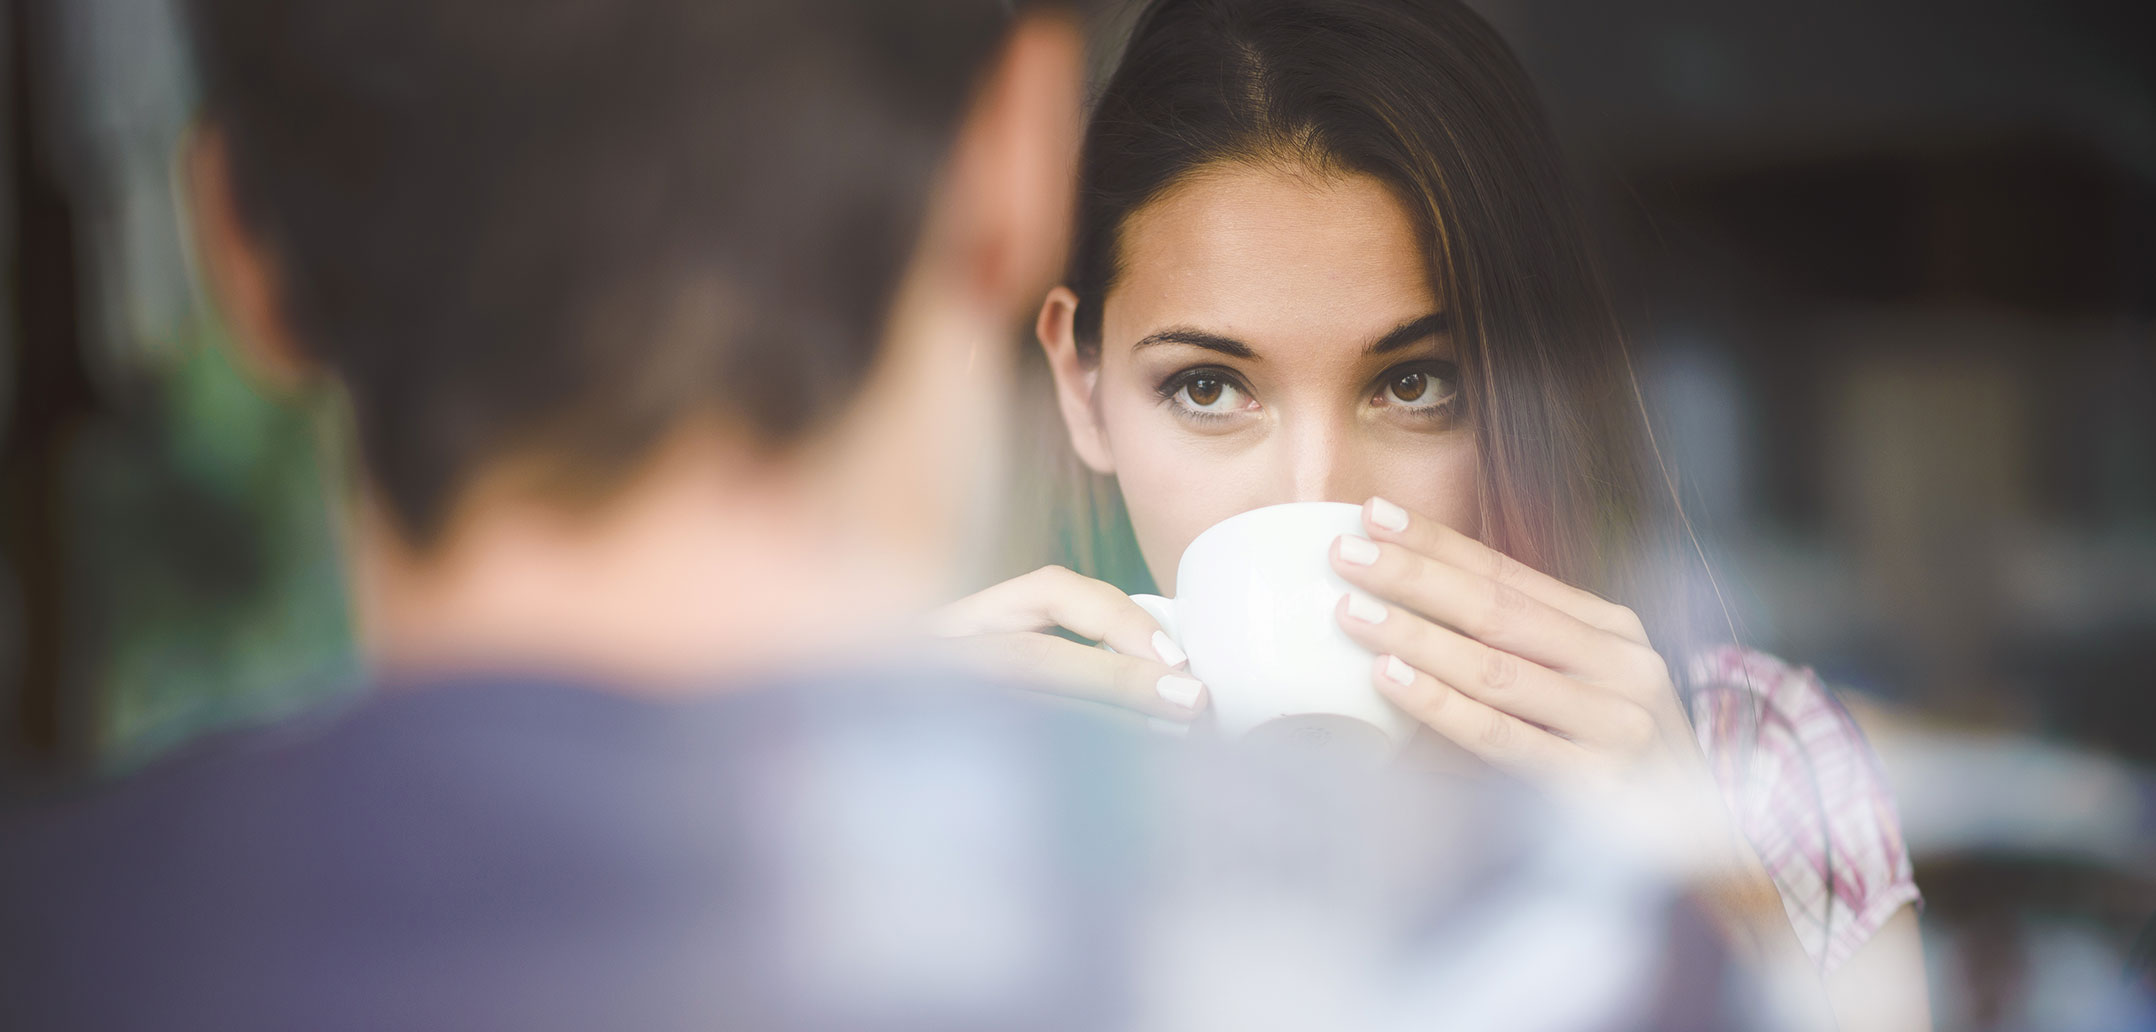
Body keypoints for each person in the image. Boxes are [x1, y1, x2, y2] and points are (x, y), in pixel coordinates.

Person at [0, 1, 1775, 1030]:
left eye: (1416, 376)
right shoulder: (1526, 958)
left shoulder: (61, 946)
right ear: (1017, 170)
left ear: (234, 247)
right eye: (1208, 383)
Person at [928, 1, 1930, 1029]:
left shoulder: (1759, 772)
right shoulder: (981, 808)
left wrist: (1699, 899)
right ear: (1078, 386)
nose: (1314, 496)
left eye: (1414, 384)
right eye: (1207, 389)